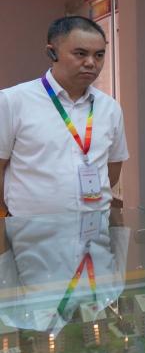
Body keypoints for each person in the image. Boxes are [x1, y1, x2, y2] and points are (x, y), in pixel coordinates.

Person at [0, 16, 128, 216]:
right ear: (52, 53)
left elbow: (112, 171)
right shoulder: (13, 101)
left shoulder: (110, 108)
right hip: (32, 228)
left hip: (95, 225)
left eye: (99, 55)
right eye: (80, 54)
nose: (91, 63)